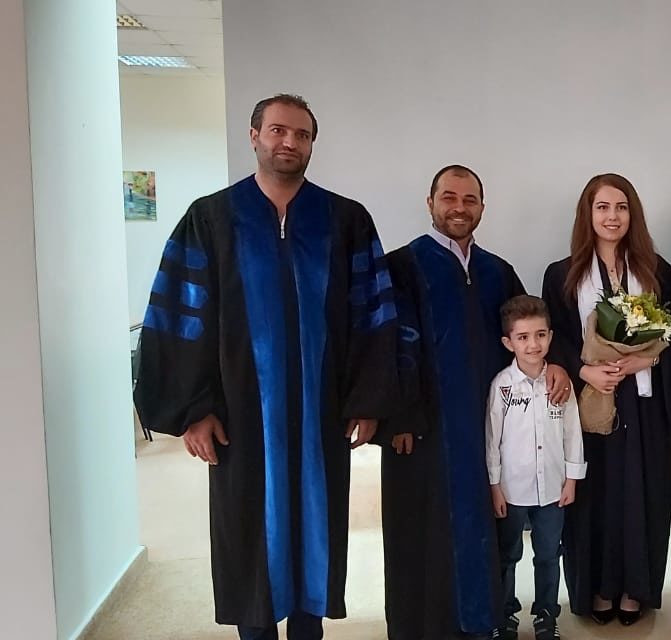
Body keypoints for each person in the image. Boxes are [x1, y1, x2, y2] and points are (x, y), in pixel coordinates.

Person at [133, 94, 398, 639]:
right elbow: (181, 318)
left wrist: (367, 400)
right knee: (247, 530)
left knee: (317, 528)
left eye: (301, 134)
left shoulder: (345, 220)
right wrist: (194, 410)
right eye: (278, 130)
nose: (289, 142)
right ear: (254, 136)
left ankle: (308, 629)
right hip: (239, 415)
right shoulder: (210, 218)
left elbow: (372, 315)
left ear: (312, 144)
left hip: (322, 412)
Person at [377, 165, 572, 639]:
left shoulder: (497, 272)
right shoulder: (401, 266)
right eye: (449, 197)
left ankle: (487, 619)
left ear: (482, 207)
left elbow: (527, 337)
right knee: (424, 526)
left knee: (489, 526)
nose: (459, 208)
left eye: (469, 199)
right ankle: (424, 627)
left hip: (491, 427)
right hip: (424, 428)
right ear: (430, 203)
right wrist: (398, 416)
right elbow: (385, 345)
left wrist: (557, 365)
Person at [541, 174, 671, 626]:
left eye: (621, 207)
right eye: (602, 207)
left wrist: (646, 360)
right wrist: (584, 370)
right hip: (589, 406)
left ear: (632, 214)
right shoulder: (562, 275)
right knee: (594, 500)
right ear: (588, 214)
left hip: (644, 406)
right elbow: (555, 340)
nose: (612, 216)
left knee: (642, 497)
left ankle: (634, 589)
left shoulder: (658, 273)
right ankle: (597, 589)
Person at [486, 295, 587, 640]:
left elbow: (573, 432)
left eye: (540, 335)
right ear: (508, 342)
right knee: (507, 555)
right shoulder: (501, 386)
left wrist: (572, 479)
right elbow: (492, 440)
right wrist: (495, 486)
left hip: (553, 490)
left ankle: (546, 614)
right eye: (523, 337)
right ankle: (504, 616)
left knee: (548, 554)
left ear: (550, 336)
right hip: (512, 490)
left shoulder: (559, 384)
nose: (533, 344)